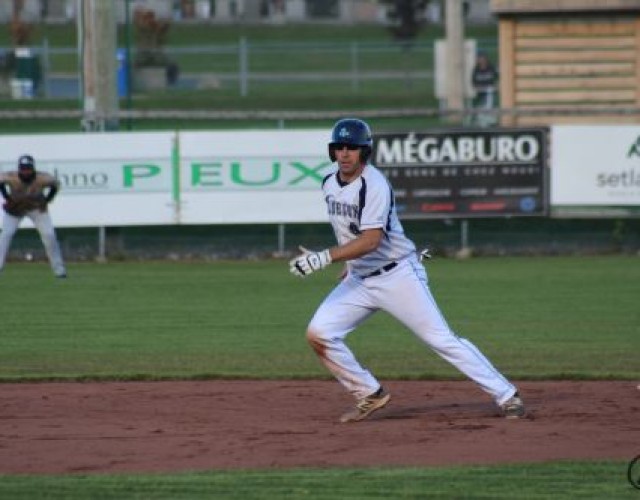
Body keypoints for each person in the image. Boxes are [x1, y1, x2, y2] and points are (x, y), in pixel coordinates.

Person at [289, 118, 524, 423]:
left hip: (396, 275)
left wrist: (324, 258)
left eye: (352, 148)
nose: (345, 153)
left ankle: (507, 395)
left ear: (365, 152)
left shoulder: (374, 185)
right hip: (361, 279)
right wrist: (348, 264)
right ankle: (369, 394)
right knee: (319, 333)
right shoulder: (329, 184)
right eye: (339, 147)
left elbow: (372, 240)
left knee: (441, 339)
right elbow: (348, 230)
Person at [0, 154, 67, 278]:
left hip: (36, 208)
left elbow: (55, 185)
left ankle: (60, 271)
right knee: (5, 235)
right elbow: (1, 182)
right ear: (19, 168)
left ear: (33, 168)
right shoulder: (11, 177)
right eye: (23, 168)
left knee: (49, 235)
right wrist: (7, 197)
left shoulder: (42, 178)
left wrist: (47, 199)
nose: (26, 171)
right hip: (16, 209)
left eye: (28, 168)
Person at [471, 52, 499, 126]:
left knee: (490, 96)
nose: (481, 60)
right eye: (480, 58)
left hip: (491, 92)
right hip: (480, 92)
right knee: (479, 105)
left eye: (483, 58)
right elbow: (473, 82)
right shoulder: (476, 69)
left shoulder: (491, 68)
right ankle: (478, 119)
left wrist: (496, 86)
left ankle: (490, 119)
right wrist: (478, 87)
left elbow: (498, 78)